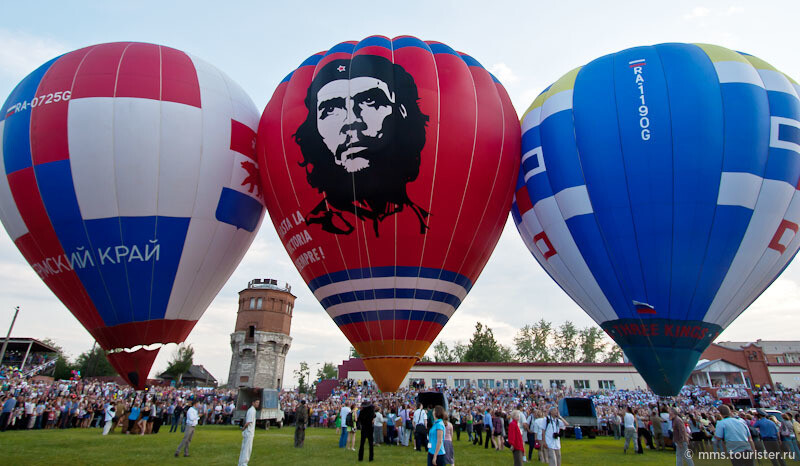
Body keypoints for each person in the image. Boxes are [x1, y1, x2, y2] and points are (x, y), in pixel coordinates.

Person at [294, 54, 431, 237]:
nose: (351, 121)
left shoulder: (427, 221)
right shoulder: (315, 226)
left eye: (369, 101)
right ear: (314, 130)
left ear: (402, 112)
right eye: (331, 109)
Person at [238, 399, 259, 466]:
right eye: (256, 402)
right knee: (247, 449)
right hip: (249, 432)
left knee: (244, 448)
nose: (257, 404)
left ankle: (241, 463)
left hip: (249, 432)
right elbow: (248, 422)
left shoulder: (252, 410)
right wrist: (244, 428)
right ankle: (244, 463)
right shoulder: (252, 411)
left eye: (258, 402)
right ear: (253, 403)